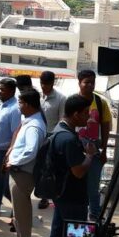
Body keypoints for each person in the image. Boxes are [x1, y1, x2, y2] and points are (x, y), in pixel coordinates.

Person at [45, 95, 98, 237]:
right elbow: (78, 171)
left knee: (58, 231)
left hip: (60, 194)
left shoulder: (59, 131)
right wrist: (90, 156)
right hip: (74, 197)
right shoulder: (68, 138)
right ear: (75, 114)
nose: (89, 118)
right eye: (86, 114)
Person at [0, 89, 47, 237]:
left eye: (20, 103)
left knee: (22, 215)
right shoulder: (30, 121)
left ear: (27, 104)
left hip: (22, 174)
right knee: (19, 214)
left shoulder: (34, 126)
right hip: (20, 172)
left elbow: (31, 150)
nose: (18, 106)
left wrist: (14, 162)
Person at [76, 70, 113, 219]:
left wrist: (104, 150)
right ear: (79, 83)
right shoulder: (72, 101)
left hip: (95, 150)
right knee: (76, 185)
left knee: (93, 186)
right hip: (76, 149)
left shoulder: (100, 102)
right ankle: (78, 214)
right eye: (87, 82)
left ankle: (94, 216)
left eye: (93, 82)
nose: (90, 85)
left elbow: (105, 127)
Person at [38, 71, 69, 210]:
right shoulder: (39, 96)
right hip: (39, 136)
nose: (44, 87)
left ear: (52, 83)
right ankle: (42, 194)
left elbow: (62, 119)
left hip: (52, 138)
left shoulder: (61, 98)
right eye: (42, 84)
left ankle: (50, 196)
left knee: (50, 168)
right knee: (40, 167)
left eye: (46, 84)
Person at [0, 78, 21, 216]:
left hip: (3, 151)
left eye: (2, 90)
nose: (0, 92)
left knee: (3, 184)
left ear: (11, 91)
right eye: (0, 89)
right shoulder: (4, 105)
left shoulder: (15, 109)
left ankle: (18, 208)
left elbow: (16, 133)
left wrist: (7, 151)